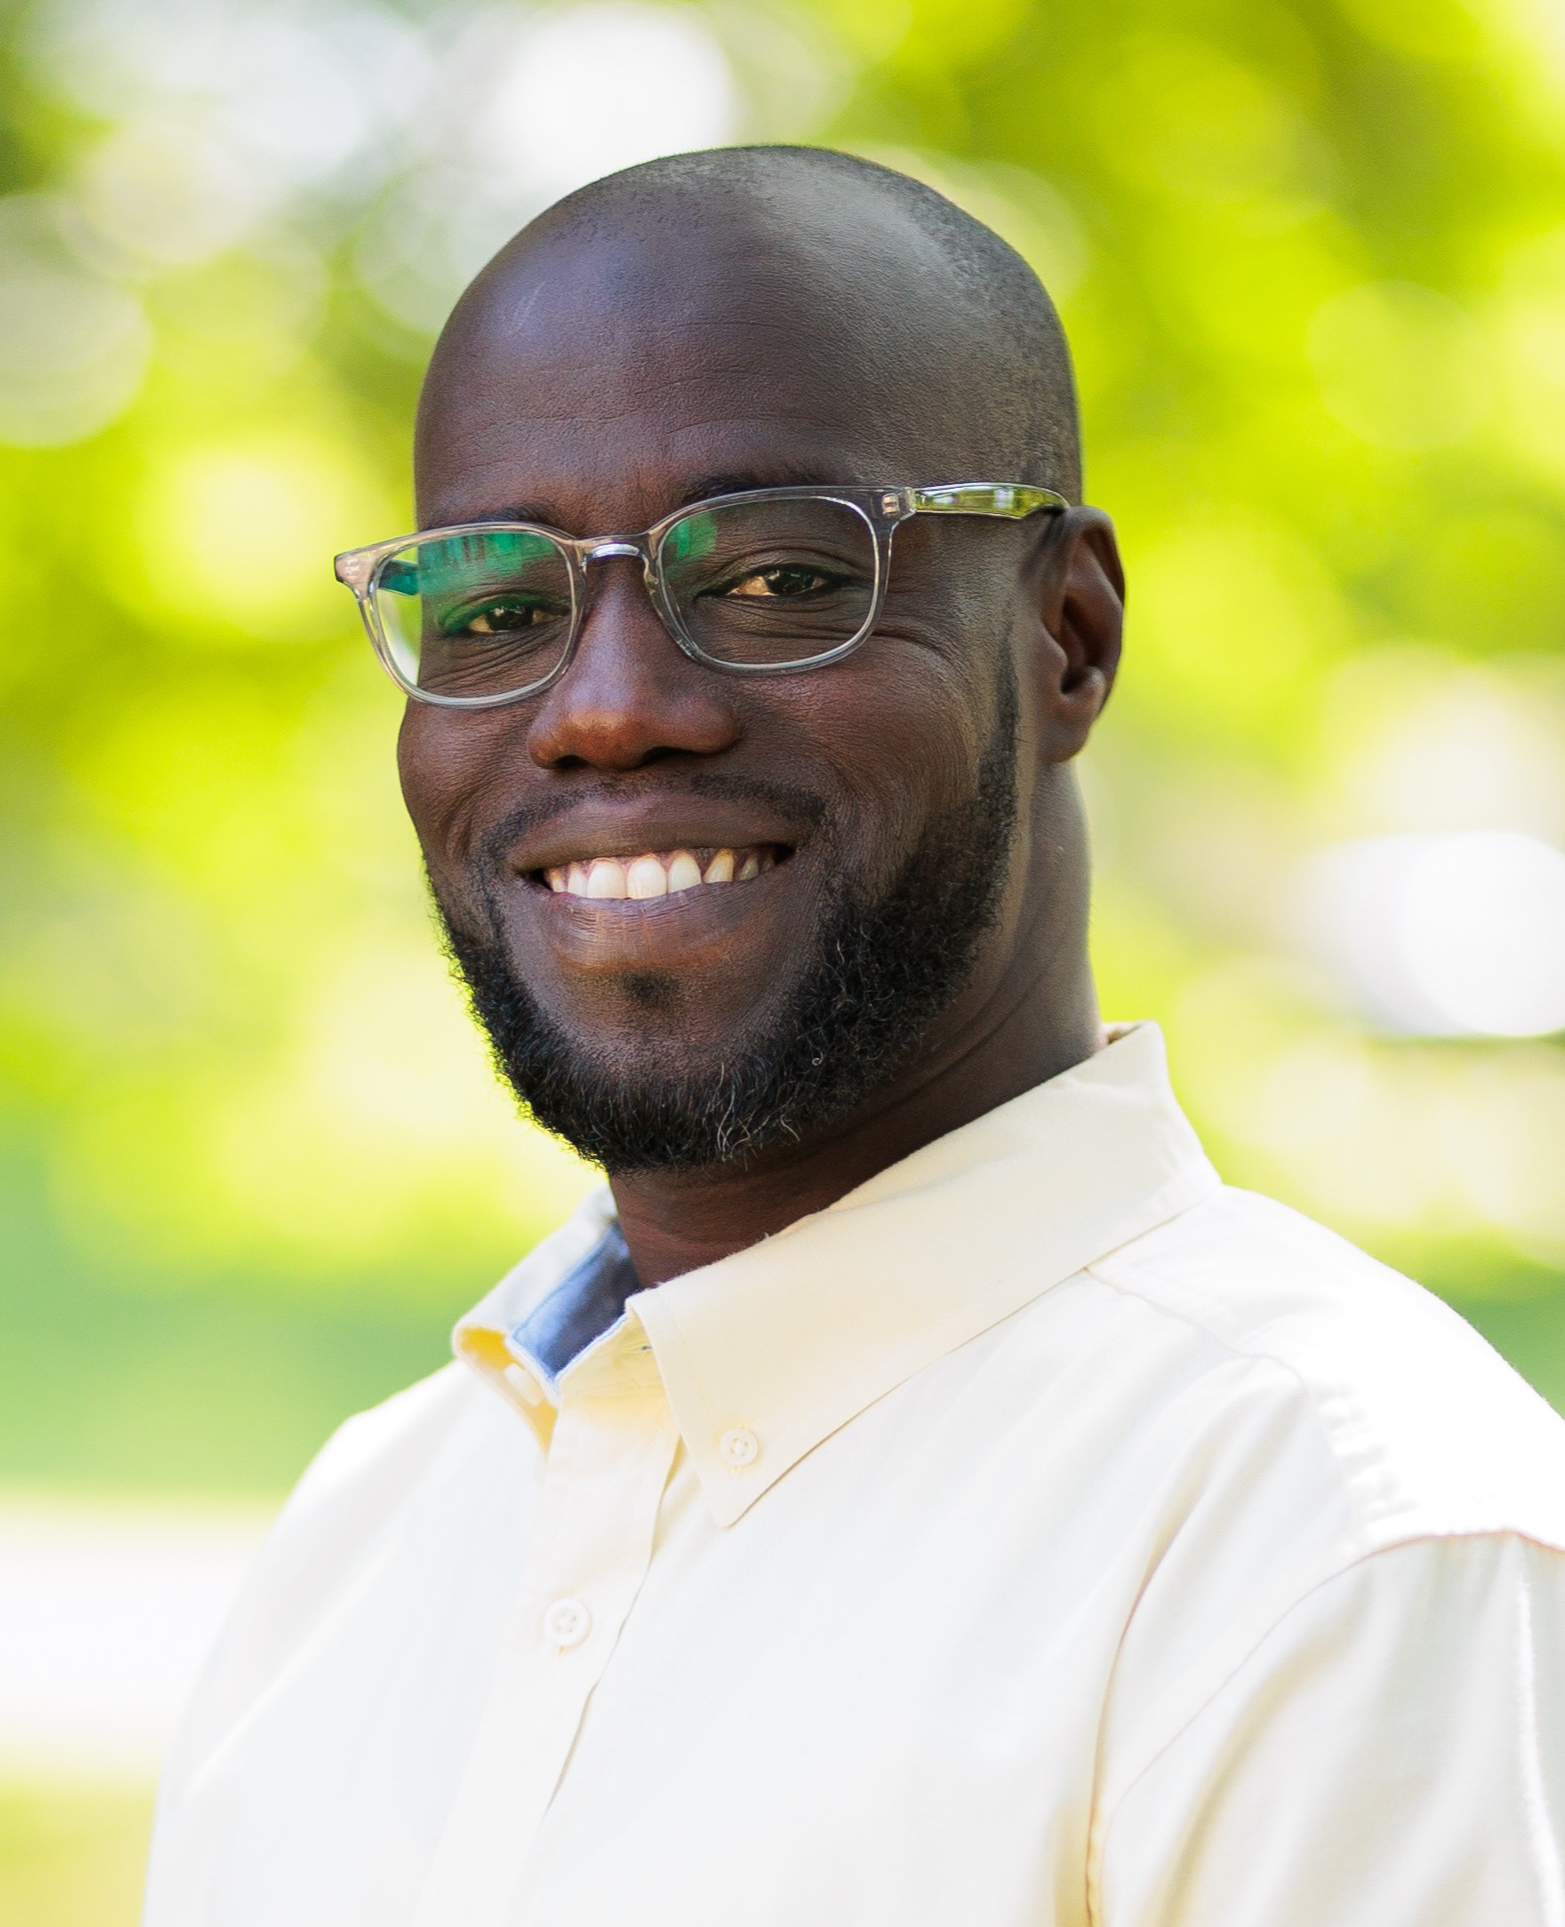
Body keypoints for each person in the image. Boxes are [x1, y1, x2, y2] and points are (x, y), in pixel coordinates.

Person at [143, 147, 1565, 1927]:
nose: (604, 712)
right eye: (495, 609)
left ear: (1067, 638)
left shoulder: (1324, 1534)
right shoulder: (371, 1532)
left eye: (771, 575)